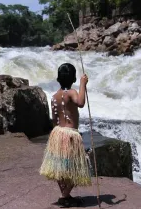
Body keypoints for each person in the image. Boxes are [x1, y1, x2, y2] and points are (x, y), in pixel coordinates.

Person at [39, 63, 91, 207]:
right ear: (74, 78)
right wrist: (83, 84)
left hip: (58, 133)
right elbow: (80, 102)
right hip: (70, 134)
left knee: (61, 166)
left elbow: (55, 119)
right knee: (78, 166)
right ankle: (64, 195)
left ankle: (65, 195)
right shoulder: (72, 92)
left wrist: (57, 135)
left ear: (58, 79)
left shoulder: (55, 96)